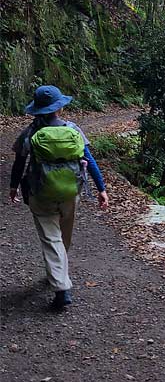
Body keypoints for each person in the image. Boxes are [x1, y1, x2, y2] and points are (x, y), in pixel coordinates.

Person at [8, 85, 109, 309]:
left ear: (36, 110)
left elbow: (19, 163)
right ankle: (58, 275)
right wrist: (101, 189)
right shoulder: (72, 129)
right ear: (59, 109)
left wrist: (14, 186)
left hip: (40, 193)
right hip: (71, 193)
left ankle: (61, 288)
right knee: (64, 236)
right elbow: (89, 159)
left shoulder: (30, 133)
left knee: (51, 239)